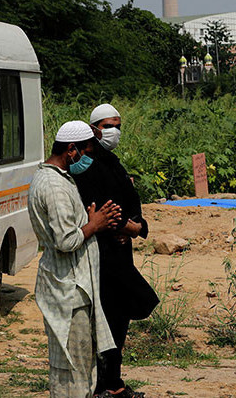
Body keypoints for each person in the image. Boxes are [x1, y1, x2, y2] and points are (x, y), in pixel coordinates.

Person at [28, 120, 121, 398]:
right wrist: (96, 224)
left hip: (73, 288)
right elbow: (66, 240)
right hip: (68, 291)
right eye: (85, 152)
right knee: (73, 368)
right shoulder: (54, 186)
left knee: (80, 364)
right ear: (71, 150)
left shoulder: (57, 178)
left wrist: (90, 219)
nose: (86, 159)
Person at [72, 104, 159, 398]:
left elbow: (129, 199)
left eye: (118, 126)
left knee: (120, 317)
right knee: (106, 317)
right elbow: (97, 206)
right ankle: (103, 384)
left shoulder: (114, 163)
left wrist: (136, 224)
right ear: (94, 129)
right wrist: (127, 228)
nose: (114, 132)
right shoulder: (85, 166)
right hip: (102, 253)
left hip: (121, 251)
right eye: (109, 126)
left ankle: (113, 381)